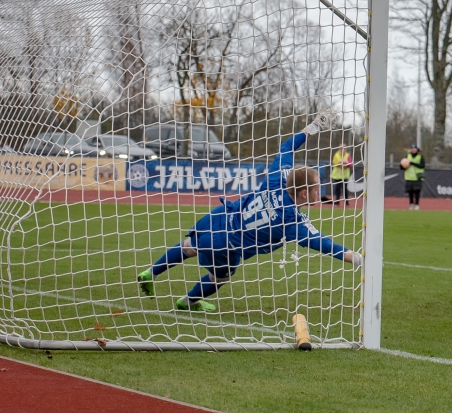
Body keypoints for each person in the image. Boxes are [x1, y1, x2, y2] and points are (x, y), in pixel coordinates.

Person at [137, 110, 361, 313]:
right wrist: (359, 259)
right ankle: (187, 302)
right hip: (227, 244)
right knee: (221, 277)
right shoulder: (293, 222)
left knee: (189, 246)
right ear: (304, 194)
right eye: (316, 187)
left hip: (222, 217)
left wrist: (313, 127)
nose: (320, 190)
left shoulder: (278, 177)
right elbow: (325, 245)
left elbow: (286, 148)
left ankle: (151, 272)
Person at [402, 143, 426, 211]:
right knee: (410, 192)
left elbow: (422, 166)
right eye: (412, 148)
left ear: (417, 149)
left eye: (414, 148)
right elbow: (403, 166)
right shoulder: (408, 156)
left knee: (417, 192)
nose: (413, 149)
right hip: (409, 177)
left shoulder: (420, 157)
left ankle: (417, 205)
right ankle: (411, 204)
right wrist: (403, 165)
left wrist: (413, 163)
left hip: (417, 177)